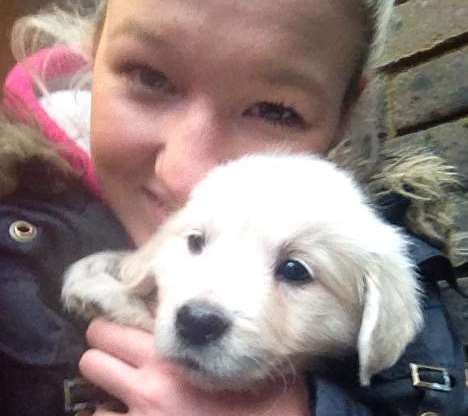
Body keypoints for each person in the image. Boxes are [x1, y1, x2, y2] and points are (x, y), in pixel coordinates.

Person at [0, 0, 466, 415]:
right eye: (150, 77)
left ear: (345, 114)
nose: (187, 173)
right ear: (92, 54)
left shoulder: (393, 259)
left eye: (275, 109)